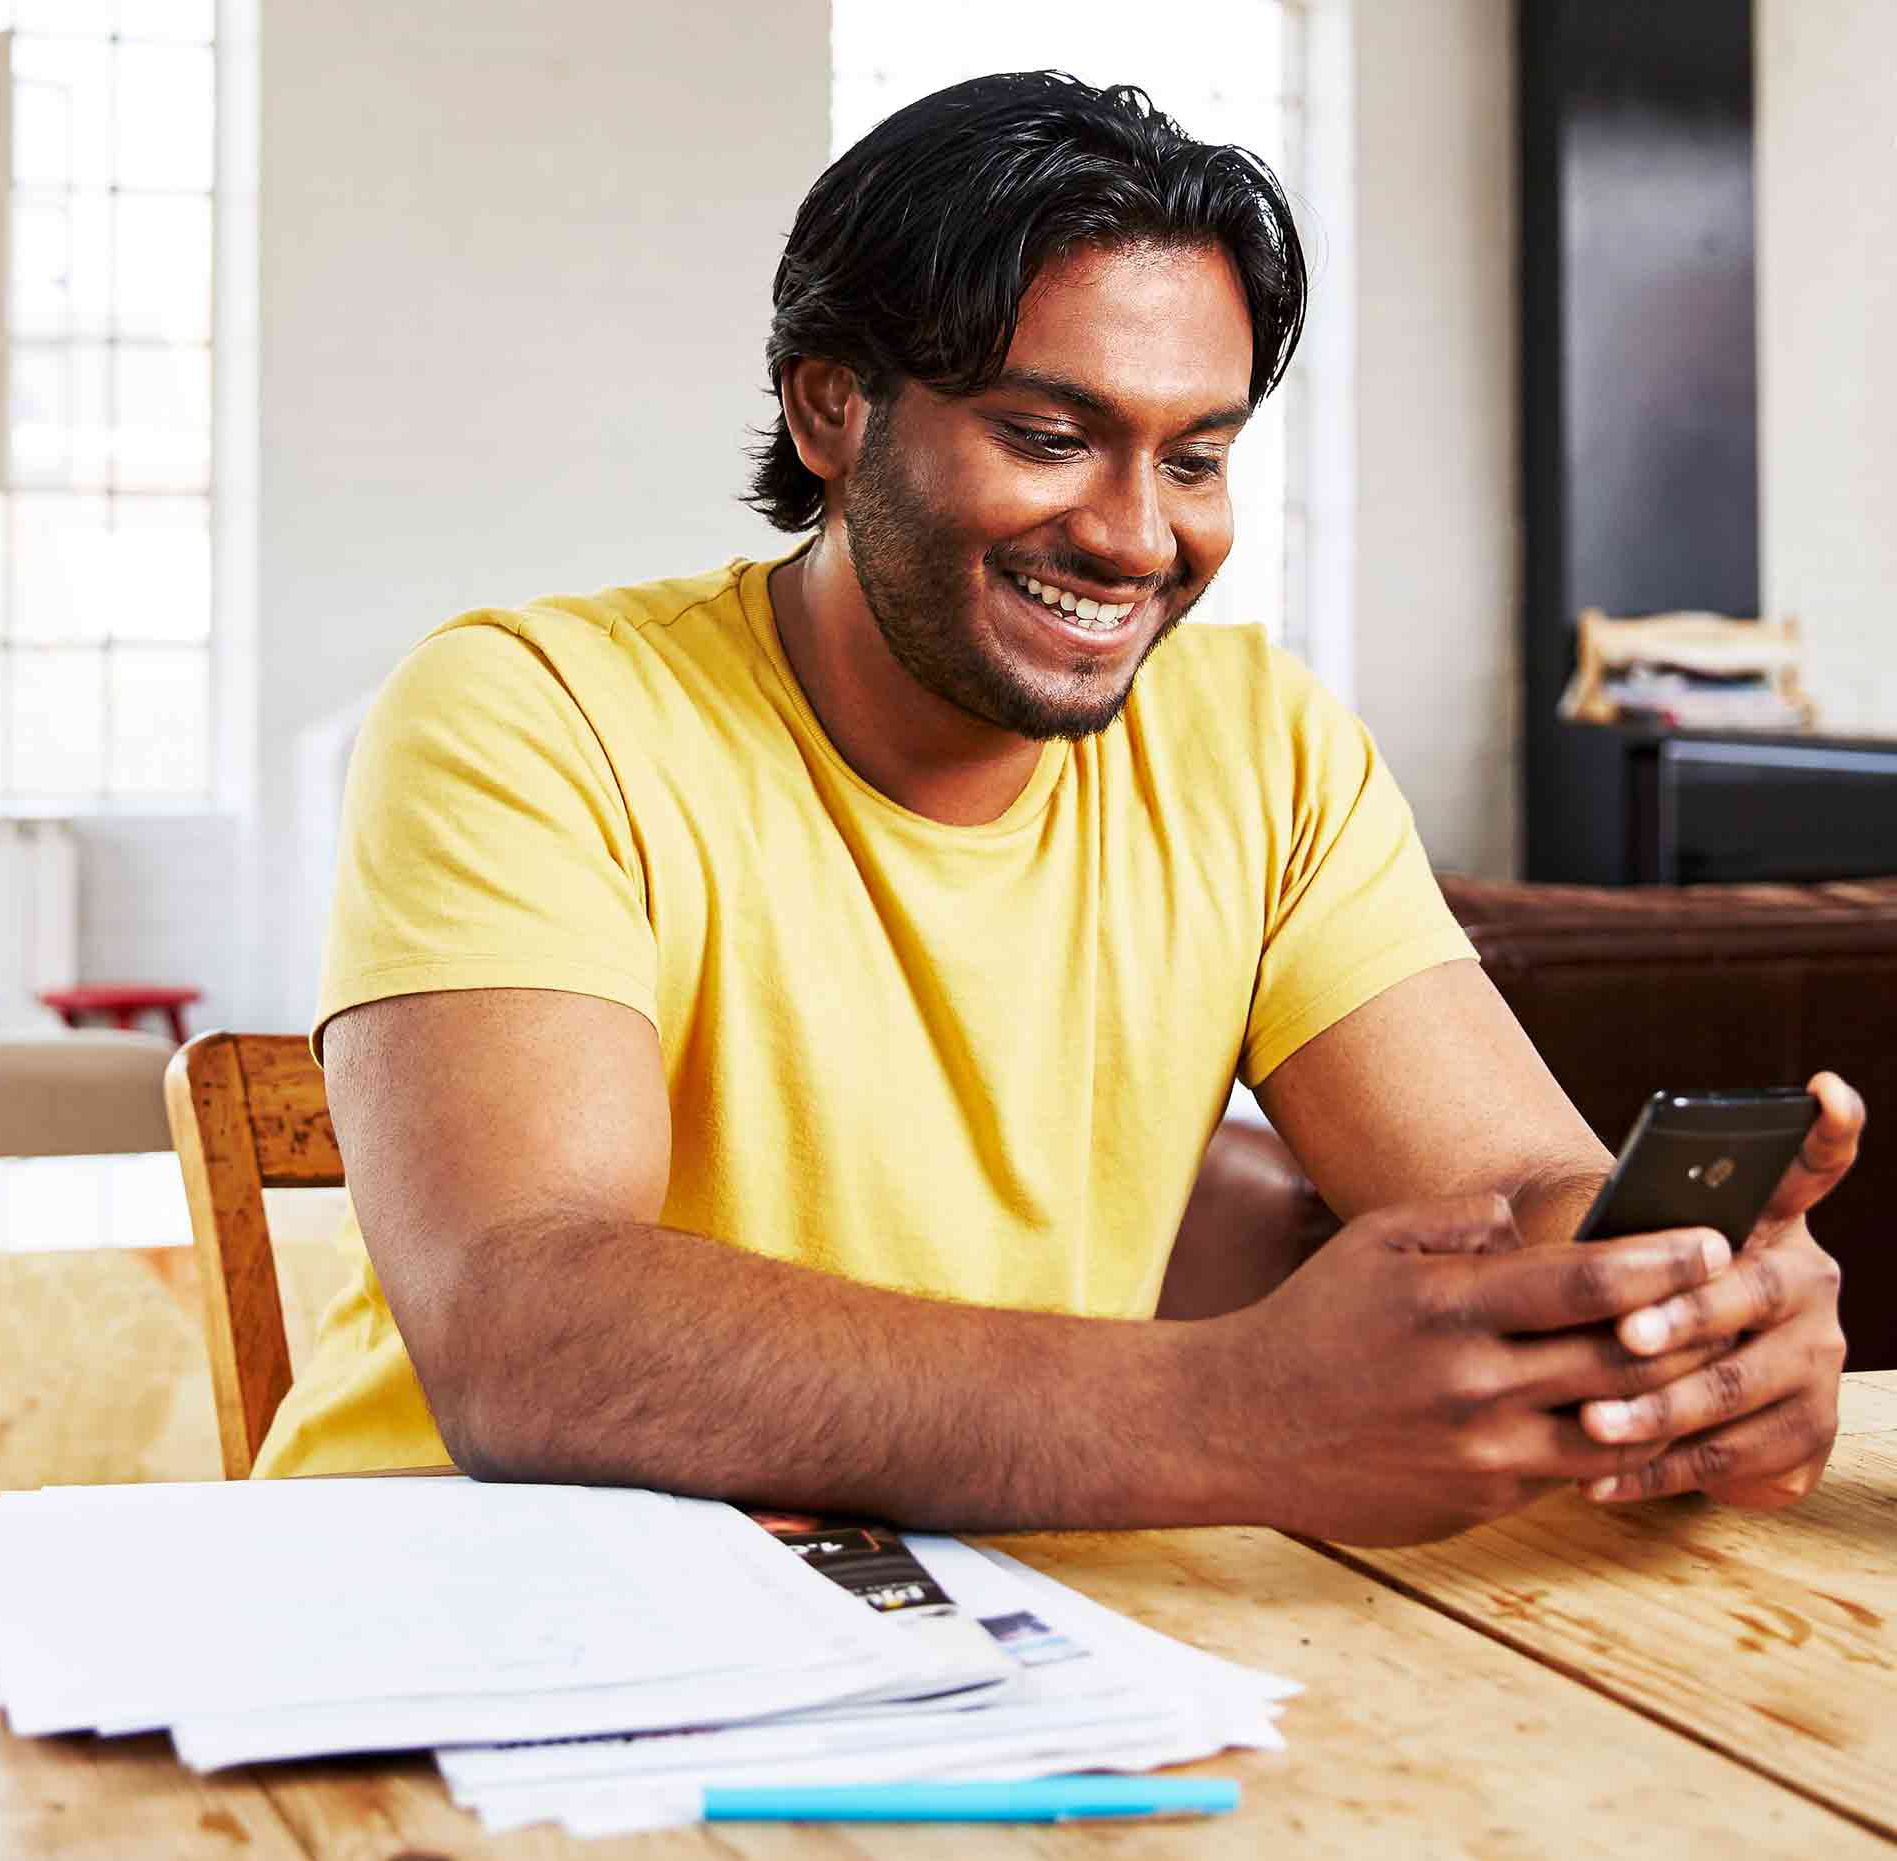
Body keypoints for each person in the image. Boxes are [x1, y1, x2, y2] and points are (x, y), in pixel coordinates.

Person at [258, 72, 1863, 1545]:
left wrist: (1675, 1309)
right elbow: (528, 1328)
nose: (1132, 535)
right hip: (450, 1631)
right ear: (831, 410)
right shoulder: (532, 714)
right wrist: (1228, 1412)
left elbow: (1512, 1192)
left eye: (1196, 457)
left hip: (962, 1636)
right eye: (1049, 435)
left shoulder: (1264, 753)